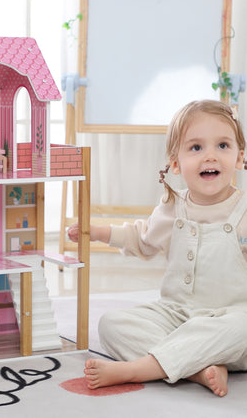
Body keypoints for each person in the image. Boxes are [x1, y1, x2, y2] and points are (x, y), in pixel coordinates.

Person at [68, 99, 247, 397]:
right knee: (112, 324)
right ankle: (198, 370)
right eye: (196, 147)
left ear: (240, 157)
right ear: (175, 163)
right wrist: (97, 232)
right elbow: (141, 239)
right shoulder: (171, 207)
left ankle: (137, 370)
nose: (210, 156)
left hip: (228, 322)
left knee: (243, 325)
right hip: (175, 316)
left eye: (223, 145)